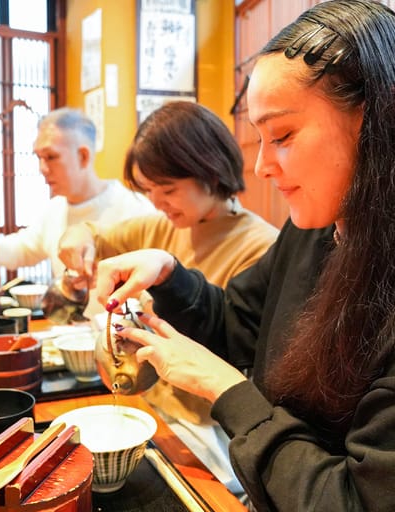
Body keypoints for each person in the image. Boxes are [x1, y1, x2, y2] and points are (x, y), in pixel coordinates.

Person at [91, 1, 395, 510]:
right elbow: (238, 322)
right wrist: (169, 277)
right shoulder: (317, 230)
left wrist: (227, 392)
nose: (260, 166)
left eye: (281, 135)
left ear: (377, 121)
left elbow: (359, 501)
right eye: (259, 138)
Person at [57, 100, 279, 495]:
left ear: (209, 170)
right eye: (148, 190)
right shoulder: (162, 226)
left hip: (206, 430)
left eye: (168, 189)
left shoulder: (259, 247)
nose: (157, 202)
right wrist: (79, 238)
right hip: (150, 409)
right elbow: (96, 232)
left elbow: (236, 354)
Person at [0, 107, 155, 277]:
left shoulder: (136, 209)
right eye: (39, 158)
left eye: (51, 157)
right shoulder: (56, 209)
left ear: (83, 157)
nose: (42, 168)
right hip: (67, 322)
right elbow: (26, 246)